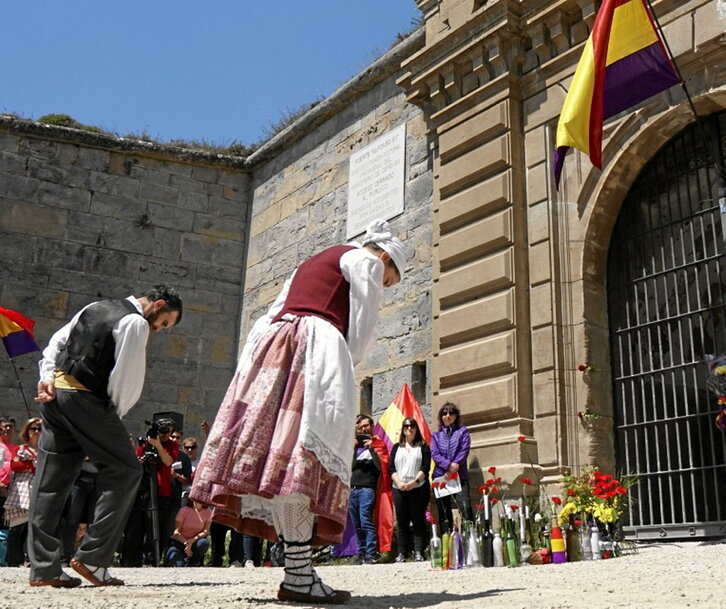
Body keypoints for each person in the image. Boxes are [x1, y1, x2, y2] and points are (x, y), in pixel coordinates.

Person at [191, 218, 404, 604]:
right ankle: (299, 574)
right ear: (385, 257)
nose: (385, 284)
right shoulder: (366, 261)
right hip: (317, 349)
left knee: (288, 462)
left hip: (276, 346)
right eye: (390, 279)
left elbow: (270, 313)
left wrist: (253, 366)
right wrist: (347, 362)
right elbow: (363, 321)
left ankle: (298, 573)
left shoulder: (310, 262)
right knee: (306, 458)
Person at [29, 285, 183, 587]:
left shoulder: (97, 306)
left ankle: (44, 568)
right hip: (87, 400)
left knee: (49, 482)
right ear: (158, 305)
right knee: (126, 470)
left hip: (56, 396)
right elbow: (126, 380)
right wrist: (112, 421)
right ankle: (93, 558)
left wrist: (46, 378)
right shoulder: (136, 322)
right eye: (164, 322)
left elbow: (57, 342)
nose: (160, 329)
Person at [122, 418, 180, 567]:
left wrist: (158, 446)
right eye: (164, 432)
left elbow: (168, 461)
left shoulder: (172, 445)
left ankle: (151, 559)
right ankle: (130, 559)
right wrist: (149, 444)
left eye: (170, 432)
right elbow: (138, 460)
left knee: (153, 526)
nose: (168, 435)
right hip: (142, 490)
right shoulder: (145, 443)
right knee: (135, 525)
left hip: (161, 492)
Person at [348, 414, 389, 564]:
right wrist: (352, 450)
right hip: (353, 489)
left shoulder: (378, 444)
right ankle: (361, 553)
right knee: (356, 523)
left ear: (372, 426)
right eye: (360, 427)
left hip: (367, 488)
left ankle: (372, 553)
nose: (363, 429)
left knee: (366, 520)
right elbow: (349, 468)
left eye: (366, 426)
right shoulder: (354, 447)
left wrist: (371, 449)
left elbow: (381, 468)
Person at [389, 417, 431, 562]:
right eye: (406, 426)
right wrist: (399, 482)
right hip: (399, 488)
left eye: (412, 426)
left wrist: (415, 481)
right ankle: (402, 553)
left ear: (416, 428)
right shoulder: (396, 447)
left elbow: (426, 467)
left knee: (418, 519)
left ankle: (418, 551)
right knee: (402, 522)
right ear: (403, 429)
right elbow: (391, 468)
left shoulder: (423, 446)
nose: (409, 428)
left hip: (418, 487)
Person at [430, 402, 473, 533]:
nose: (447, 416)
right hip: (441, 477)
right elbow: (435, 454)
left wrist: (455, 465)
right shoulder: (436, 436)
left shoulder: (463, 431)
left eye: (451, 413)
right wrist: (449, 466)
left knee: (464, 507)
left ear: (455, 416)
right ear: (441, 416)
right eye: (444, 413)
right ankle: (446, 544)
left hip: (459, 475)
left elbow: (464, 450)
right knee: (443, 513)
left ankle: (469, 541)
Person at [5, 417, 41, 566]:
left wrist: (27, 464)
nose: (37, 432)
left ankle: (32, 560)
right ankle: (13, 561)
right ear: (27, 431)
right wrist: (32, 466)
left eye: (40, 429)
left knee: (36, 528)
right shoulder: (19, 449)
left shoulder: (46, 450)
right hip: (21, 489)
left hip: (39, 488)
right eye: (33, 428)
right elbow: (15, 466)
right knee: (17, 527)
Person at [165, 500, 212, 567]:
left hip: (194, 542)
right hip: (179, 542)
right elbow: (176, 532)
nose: (195, 501)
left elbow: (206, 531)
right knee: (178, 565)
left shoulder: (208, 512)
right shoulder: (184, 510)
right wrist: (186, 543)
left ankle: (193, 562)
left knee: (203, 543)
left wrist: (192, 541)